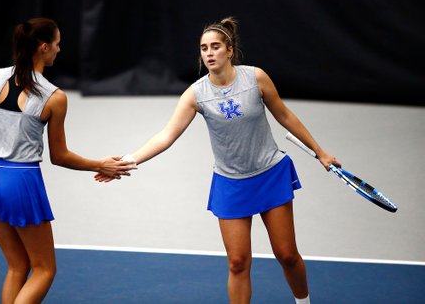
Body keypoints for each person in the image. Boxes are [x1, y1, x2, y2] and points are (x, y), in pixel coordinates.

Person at [95, 17, 340, 304]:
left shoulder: (255, 78)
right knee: (237, 263)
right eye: (203, 48)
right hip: (231, 183)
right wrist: (126, 161)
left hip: (270, 173)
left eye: (215, 47)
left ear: (230, 50)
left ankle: (303, 302)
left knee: (286, 255)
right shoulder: (196, 94)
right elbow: (166, 136)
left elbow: (284, 115)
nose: (209, 53)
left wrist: (320, 151)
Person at [0, 17, 135, 304]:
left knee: (17, 266)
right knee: (44, 270)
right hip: (20, 184)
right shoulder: (54, 97)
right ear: (43, 48)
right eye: (57, 45)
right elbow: (60, 156)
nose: (58, 50)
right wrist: (99, 164)